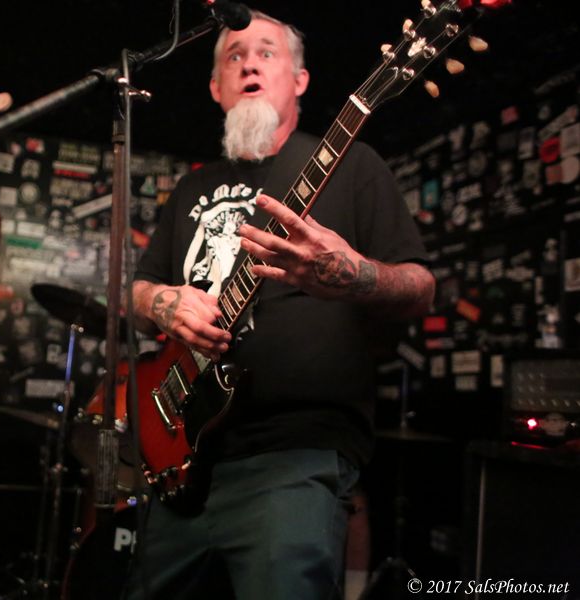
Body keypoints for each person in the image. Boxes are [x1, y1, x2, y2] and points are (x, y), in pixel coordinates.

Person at [128, 11, 435, 600]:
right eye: (234, 55)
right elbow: (136, 295)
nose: (249, 63)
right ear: (215, 86)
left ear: (299, 80)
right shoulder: (192, 187)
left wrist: (353, 275)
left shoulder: (352, 165)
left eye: (267, 52)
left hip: (296, 454)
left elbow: (421, 288)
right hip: (183, 457)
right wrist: (163, 303)